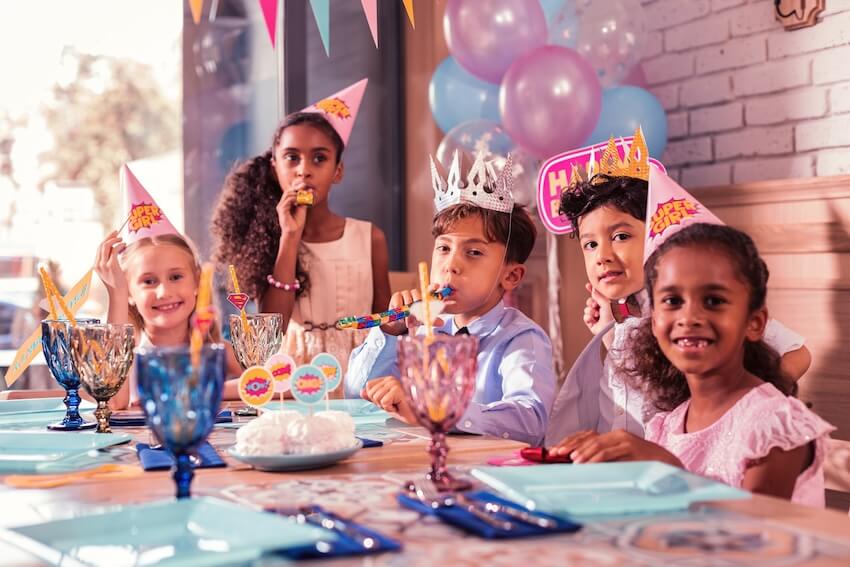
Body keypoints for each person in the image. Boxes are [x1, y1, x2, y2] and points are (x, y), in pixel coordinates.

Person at [544, 133, 811, 445]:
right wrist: (608, 330)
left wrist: (744, 407)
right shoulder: (620, 318)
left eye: (620, 236)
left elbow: (798, 353)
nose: (602, 255)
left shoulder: (698, 312)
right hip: (617, 469)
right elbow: (632, 389)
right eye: (590, 244)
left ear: (659, 235)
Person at [550, 223, 834, 507]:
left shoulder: (776, 425)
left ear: (755, 322)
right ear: (654, 322)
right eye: (672, 301)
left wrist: (666, 467)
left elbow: (750, 534)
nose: (689, 317)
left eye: (713, 300)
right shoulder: (667, 425)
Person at [344, 152, 556, 445]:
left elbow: (531, 421)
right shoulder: (420, 329)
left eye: (474, 252)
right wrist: (392, 333)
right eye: (444, 249)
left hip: (487, 475)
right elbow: (356, 396)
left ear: (511, 276)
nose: (450, 265)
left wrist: (435, 410)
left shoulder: (520, 339)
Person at [211, 80, 391, 377]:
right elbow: (272, 329)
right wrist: (290, 237)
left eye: (319, 158)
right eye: (292, 157)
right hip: (293, 381)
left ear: (338, 171)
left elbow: (385, 324)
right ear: (275, 167)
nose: (304, 169)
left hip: (358, 378)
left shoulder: (370, 238)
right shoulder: (267, 240)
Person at [95, 166, 240, 409]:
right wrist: (116, 294)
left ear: (196, 281)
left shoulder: (216, 352)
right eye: (149, 281)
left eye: (175, 277)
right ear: (130, 292)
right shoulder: (128, 358)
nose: (164, 292)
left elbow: (277, 382)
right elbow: (112, 403)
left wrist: (193, 390)